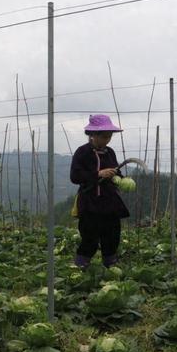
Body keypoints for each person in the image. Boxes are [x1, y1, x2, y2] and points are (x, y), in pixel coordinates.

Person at [70, 114, 130, 269]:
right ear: (93, 135)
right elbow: (75, 176)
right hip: (90, 202)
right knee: (89, 236)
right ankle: (80, 267)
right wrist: (98, 174)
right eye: (104, 136)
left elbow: (115, 171)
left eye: (109, 136)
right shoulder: (82, 152)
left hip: (110, 201)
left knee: (112, 234)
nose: (107, 140)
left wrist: (120, 179)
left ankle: (110, 264)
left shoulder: (110, 152)